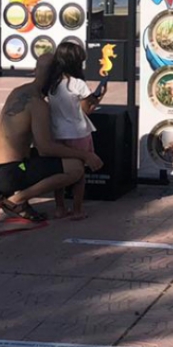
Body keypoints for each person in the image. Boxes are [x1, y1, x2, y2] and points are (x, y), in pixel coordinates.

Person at [0, 51, 104, 224]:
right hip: (13, 171)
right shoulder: (38, 104)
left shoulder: (17, 92)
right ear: (55, 76)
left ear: (35, 71)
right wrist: (86, 155)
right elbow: (45, 148)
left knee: (45, 160)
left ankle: (6, 193)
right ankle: (16, 200)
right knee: (75, 168)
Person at [41, 42, 104, 220]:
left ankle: (59, 208)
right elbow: (85, 111)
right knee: (79, 173)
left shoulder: (51, 84)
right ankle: (77, 209)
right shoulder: (78, 84)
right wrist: (99, 97)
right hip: (77, 133)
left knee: (59, 172)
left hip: (56, 133)